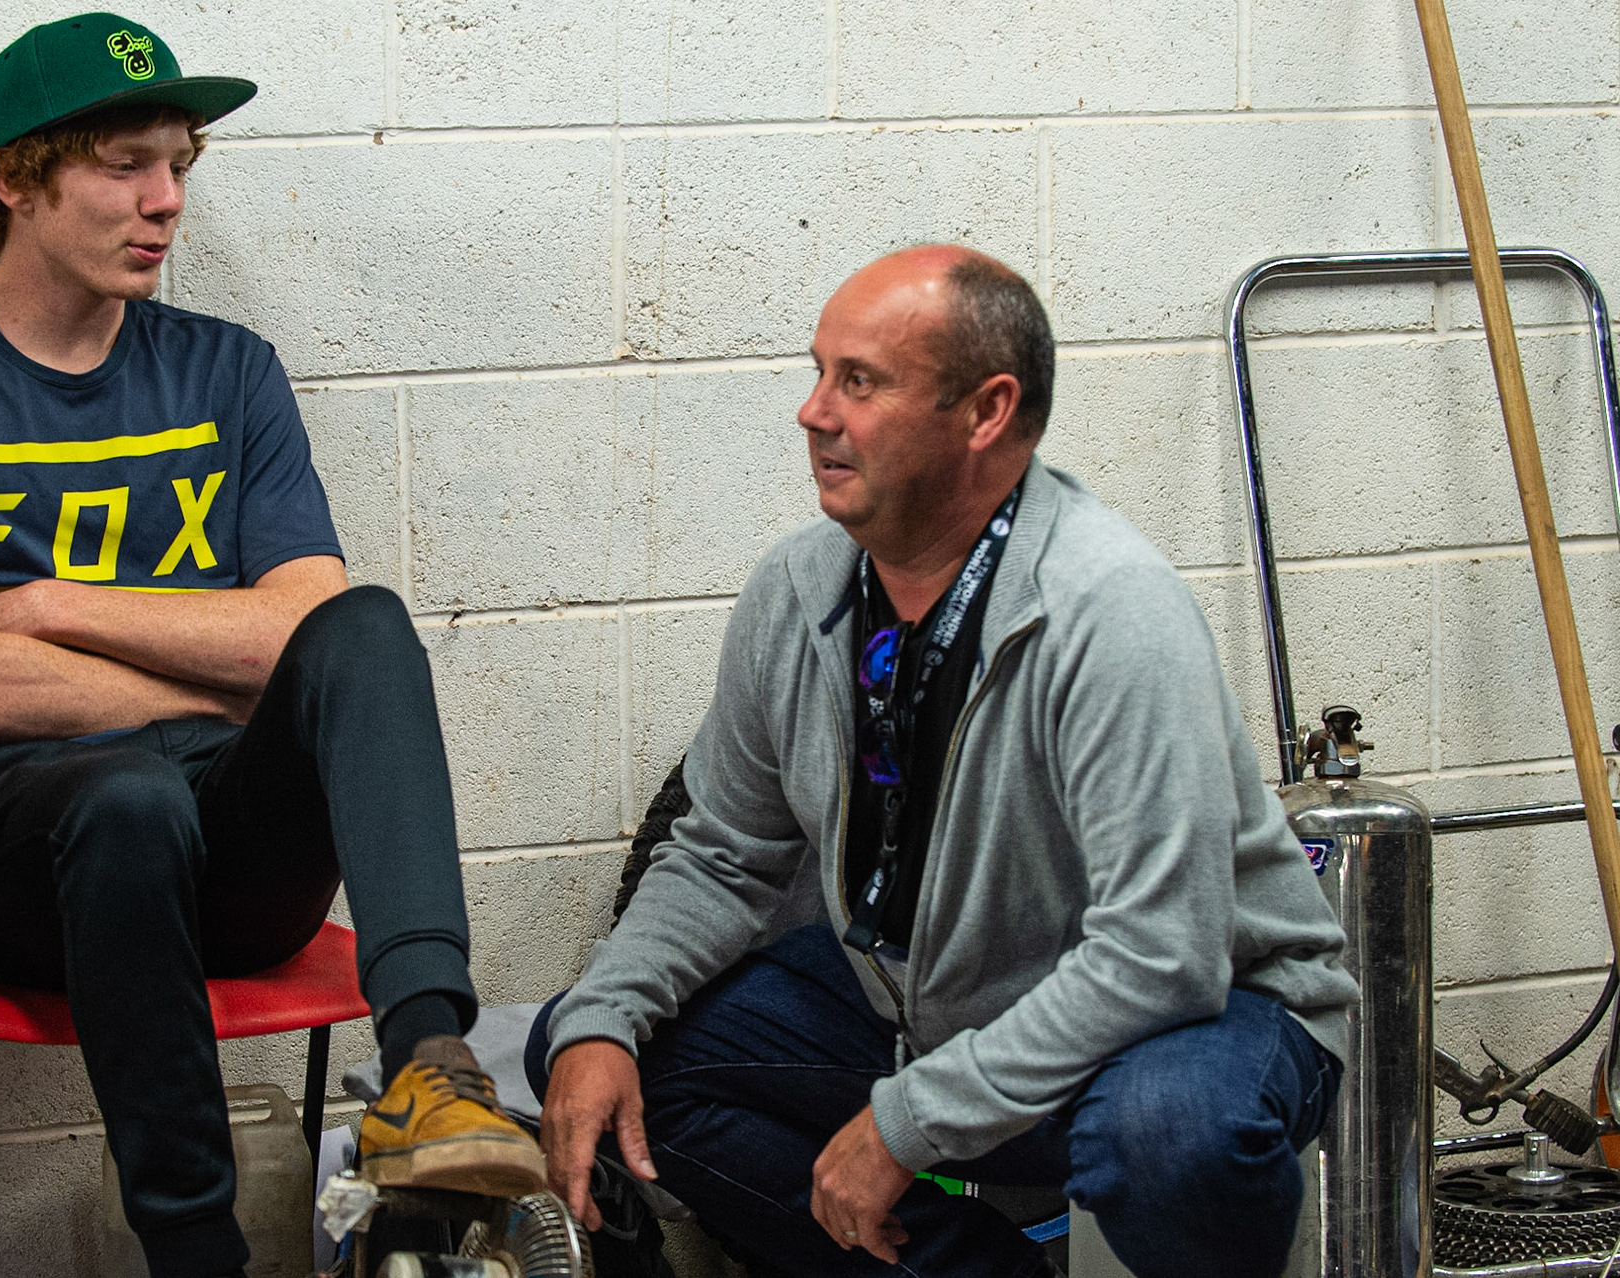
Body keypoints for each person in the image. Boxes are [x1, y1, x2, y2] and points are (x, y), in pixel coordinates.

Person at [0, 15, 543, 1278]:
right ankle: (197, 1255)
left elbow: (309, 633)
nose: (164, 202)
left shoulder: (230, 373)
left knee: (366, 625)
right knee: (131, 794)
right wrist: (208, 663)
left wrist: (52, 606)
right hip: (18, 867)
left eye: (180, 166)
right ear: (14, 178)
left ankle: (430, 1064)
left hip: (229, 858)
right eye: (122, 164)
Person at [529, 245, 1360, 1278]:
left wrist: (908, 1123)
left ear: (986, 412)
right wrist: (603, 1019)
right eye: (819, 371)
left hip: (1202, 1018)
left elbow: (1161, 956)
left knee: (1167, 1134)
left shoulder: (1108, 612)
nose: (813, 412)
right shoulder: (798, 592)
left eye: (861, 382)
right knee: (599, 1051)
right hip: (925, 1006)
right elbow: (723, 856)